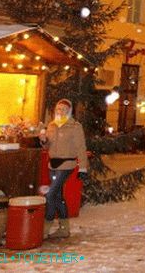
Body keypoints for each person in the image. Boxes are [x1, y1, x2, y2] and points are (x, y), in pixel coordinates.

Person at [39, 99, 88, 239]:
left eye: (64, 109)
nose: (61, 111)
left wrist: (83, 168)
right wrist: (43, 140)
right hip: (52, 164)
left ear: (69, 111)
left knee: (49, 195)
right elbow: (47, 147)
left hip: (67, 164)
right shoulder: (52, 125)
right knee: (58, 196)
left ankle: (45, 228)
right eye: (58, 109)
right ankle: (64, 229)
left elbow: (81, 148)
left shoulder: (75, 127)